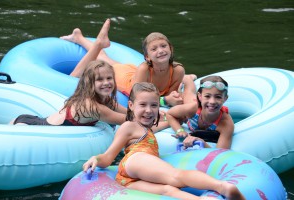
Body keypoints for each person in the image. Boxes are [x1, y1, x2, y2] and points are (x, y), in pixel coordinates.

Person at [83, 82, 245, 200]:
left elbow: (165, 122)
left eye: (154, 105)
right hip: (135, 160)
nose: (148, 110)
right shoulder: (128, 126)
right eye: (143, 105)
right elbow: (109, 156)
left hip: (128, 179)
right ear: (131, 105)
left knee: (168, 190)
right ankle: (221, 186)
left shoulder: (146, 129)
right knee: (176, 176)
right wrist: (96, 159)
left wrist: (178, 126)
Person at [10, 19, 127, 126]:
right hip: (29, 126)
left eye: (109, 78)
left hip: (37, 120)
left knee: (74, 76)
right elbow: (129, 119)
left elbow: (130, 113)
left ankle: (98, 43)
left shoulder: (105, 99)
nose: (106, 82)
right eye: (100, 79)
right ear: (90, 83)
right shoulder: (91, 106)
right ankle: (98, 43)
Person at [60, 20, 197, 107]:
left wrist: (173, 97)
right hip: (125, 80)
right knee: (98, 64)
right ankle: (82, 38)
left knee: (107, 59)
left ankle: (79, 37)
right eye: (154, 49)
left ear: (171, 49)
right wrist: (164, 101)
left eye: (163, 46)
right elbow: (136, 96)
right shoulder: (144, 69)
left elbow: (169, 93)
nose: (160, 51)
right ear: (147, 57)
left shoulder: (178, 70)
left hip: (133, 73)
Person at [166, 75, 234, 149]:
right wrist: (179, 130)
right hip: (193, 103)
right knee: (188, 92)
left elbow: (220, 153)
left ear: (225, 98)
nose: (212, 101)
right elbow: (169, 114)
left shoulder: (226, 123)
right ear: (200, 96)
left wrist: (200, 141)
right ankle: (188, 78)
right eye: (207, 96)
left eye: (218, 97)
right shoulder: (192, 109)